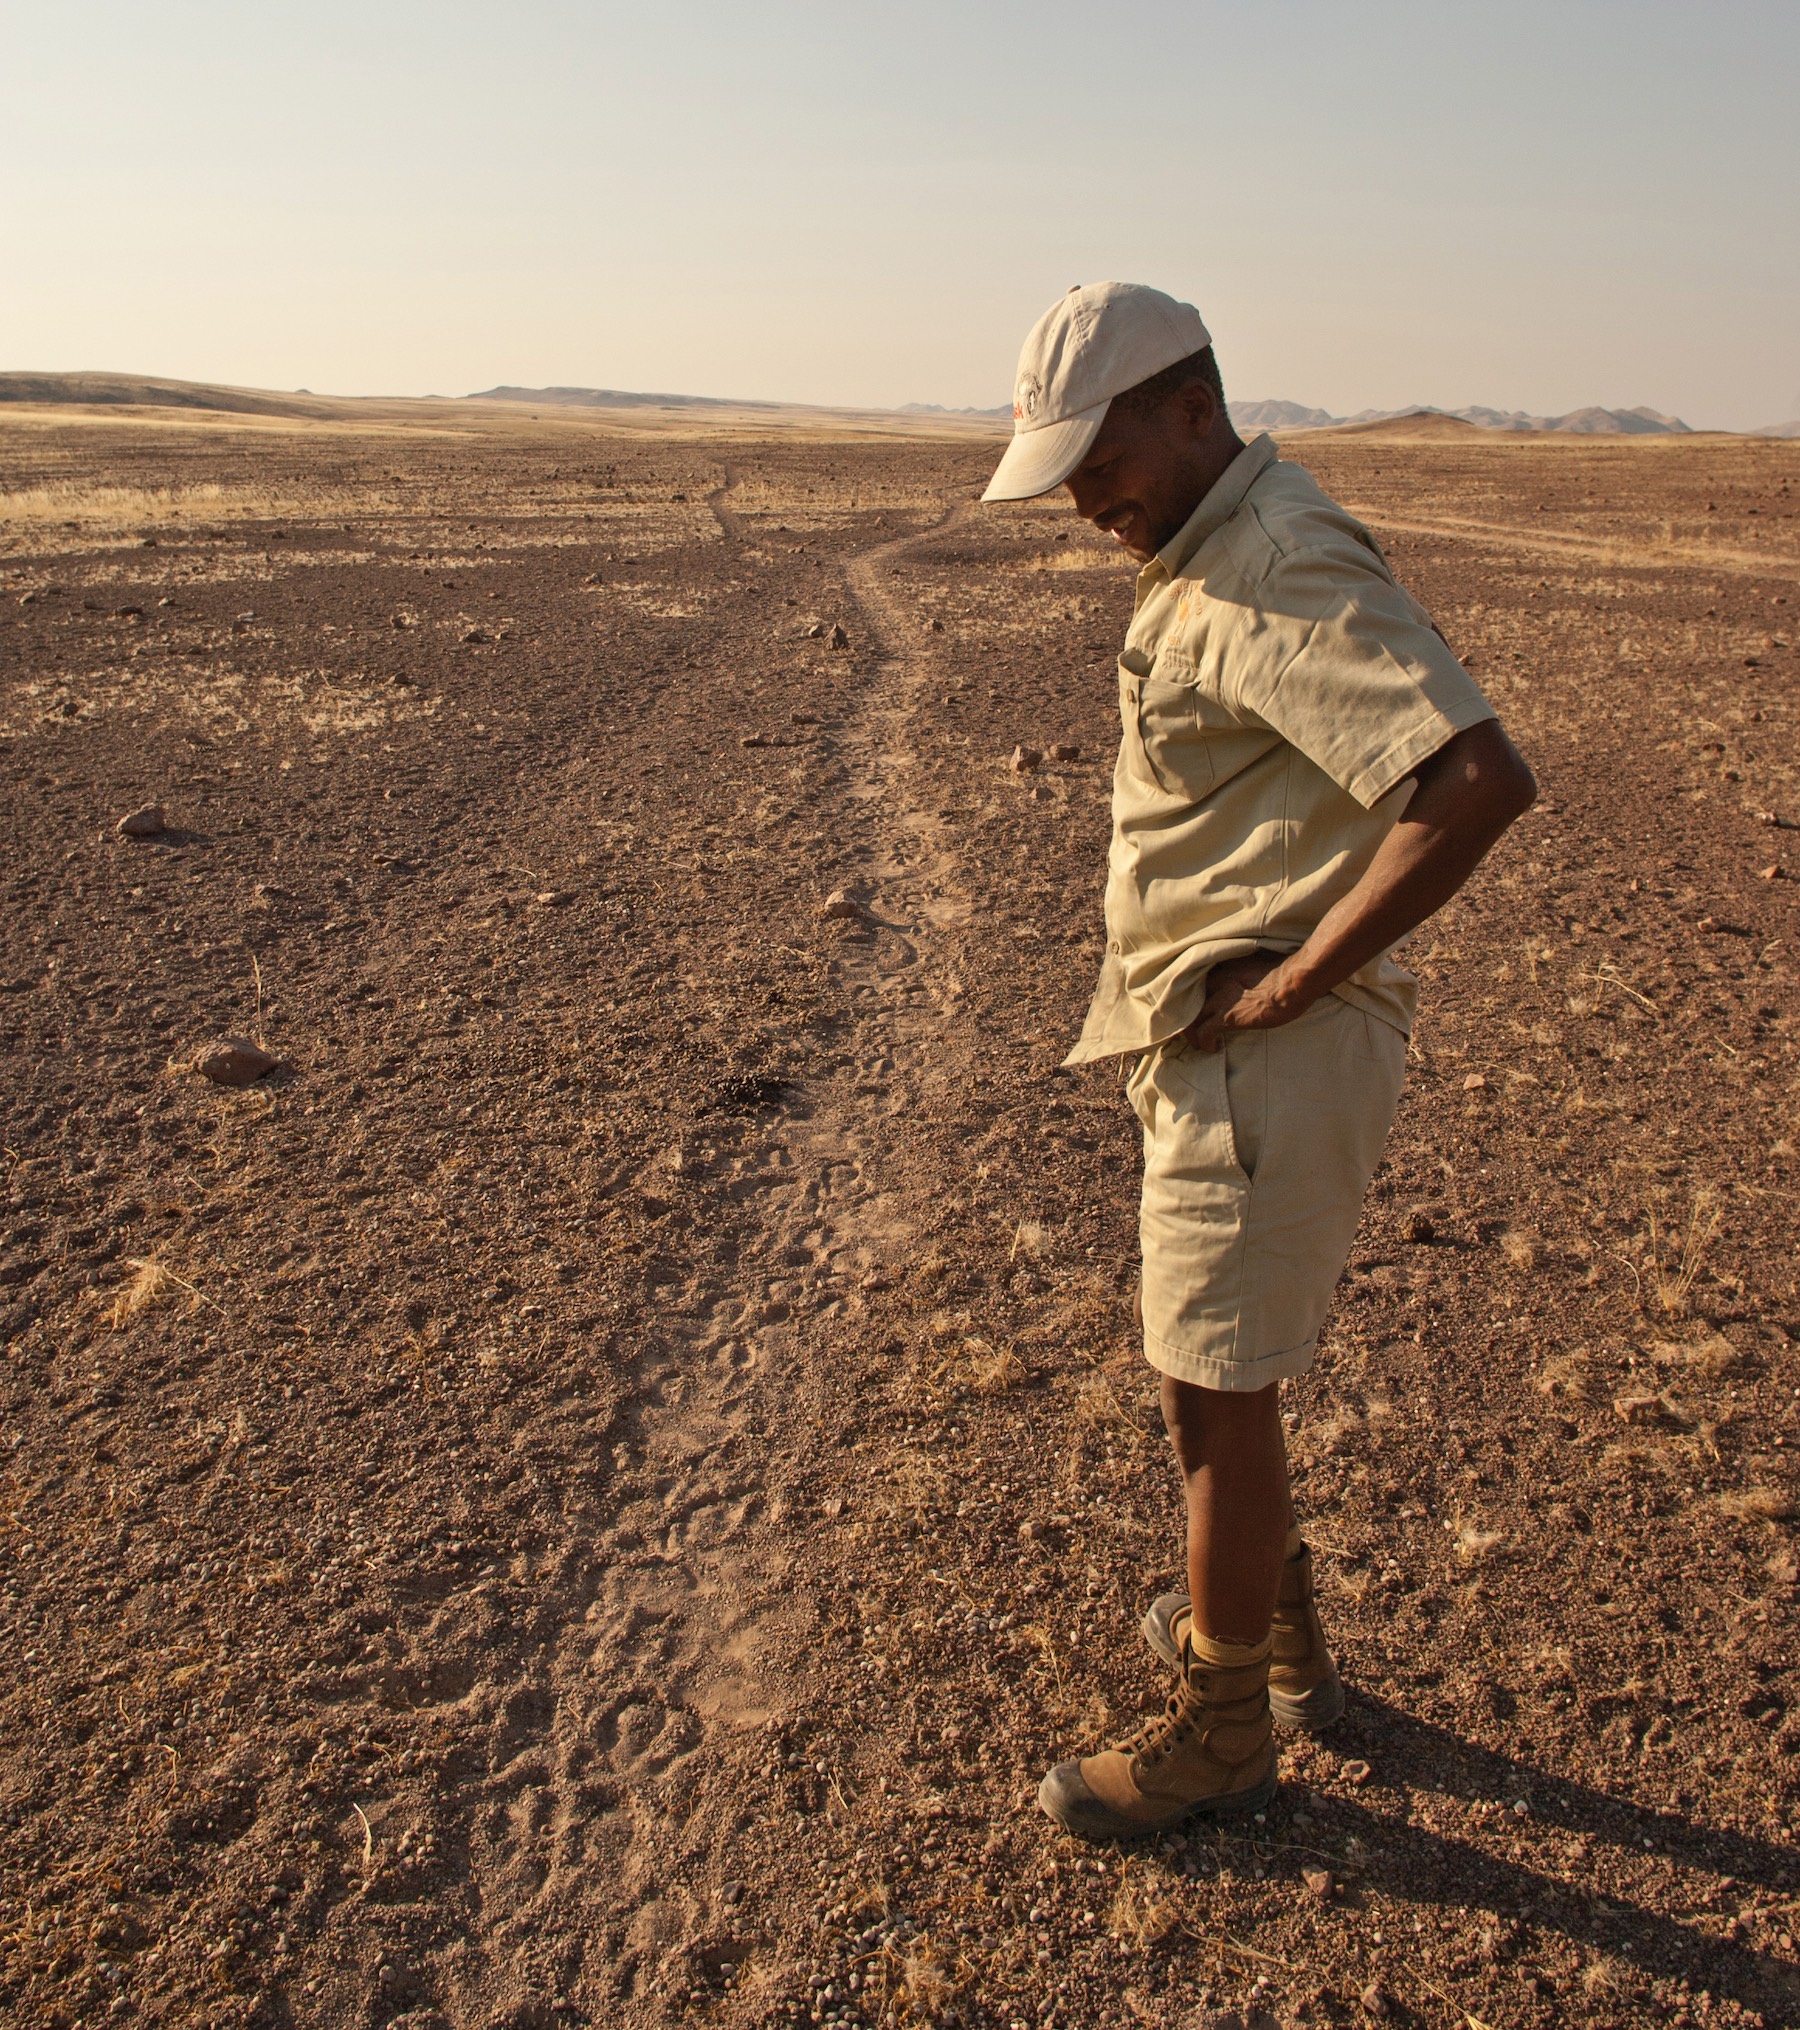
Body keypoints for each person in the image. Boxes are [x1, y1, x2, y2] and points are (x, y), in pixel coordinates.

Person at [980, 283, 1537, 1839]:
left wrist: (1296, 978)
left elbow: (1474, 776)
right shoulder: (1214, 548)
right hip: (1214, 1050)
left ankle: (1224, 1734)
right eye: (1068, 468)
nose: (1085, 499)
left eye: (1099, 457)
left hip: (1261, 1060)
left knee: (1219, 1395)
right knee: (1209, 1373)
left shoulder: (1276, 563)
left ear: (1190, 404)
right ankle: (1271, 1643)